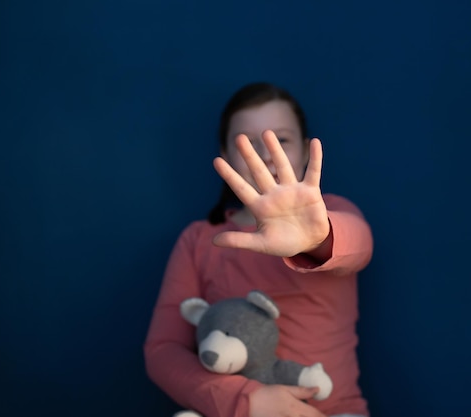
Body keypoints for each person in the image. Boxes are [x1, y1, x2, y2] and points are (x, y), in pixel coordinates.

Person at [144, 82, 374, 417]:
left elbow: (360, 244)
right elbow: (163, 352)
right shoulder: (198, 240)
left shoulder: (337, 213)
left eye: (281, 140)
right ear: (224, 154)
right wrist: (245, 400)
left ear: (306, 151)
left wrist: (316, 237)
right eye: (247, 143)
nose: (267, 153)